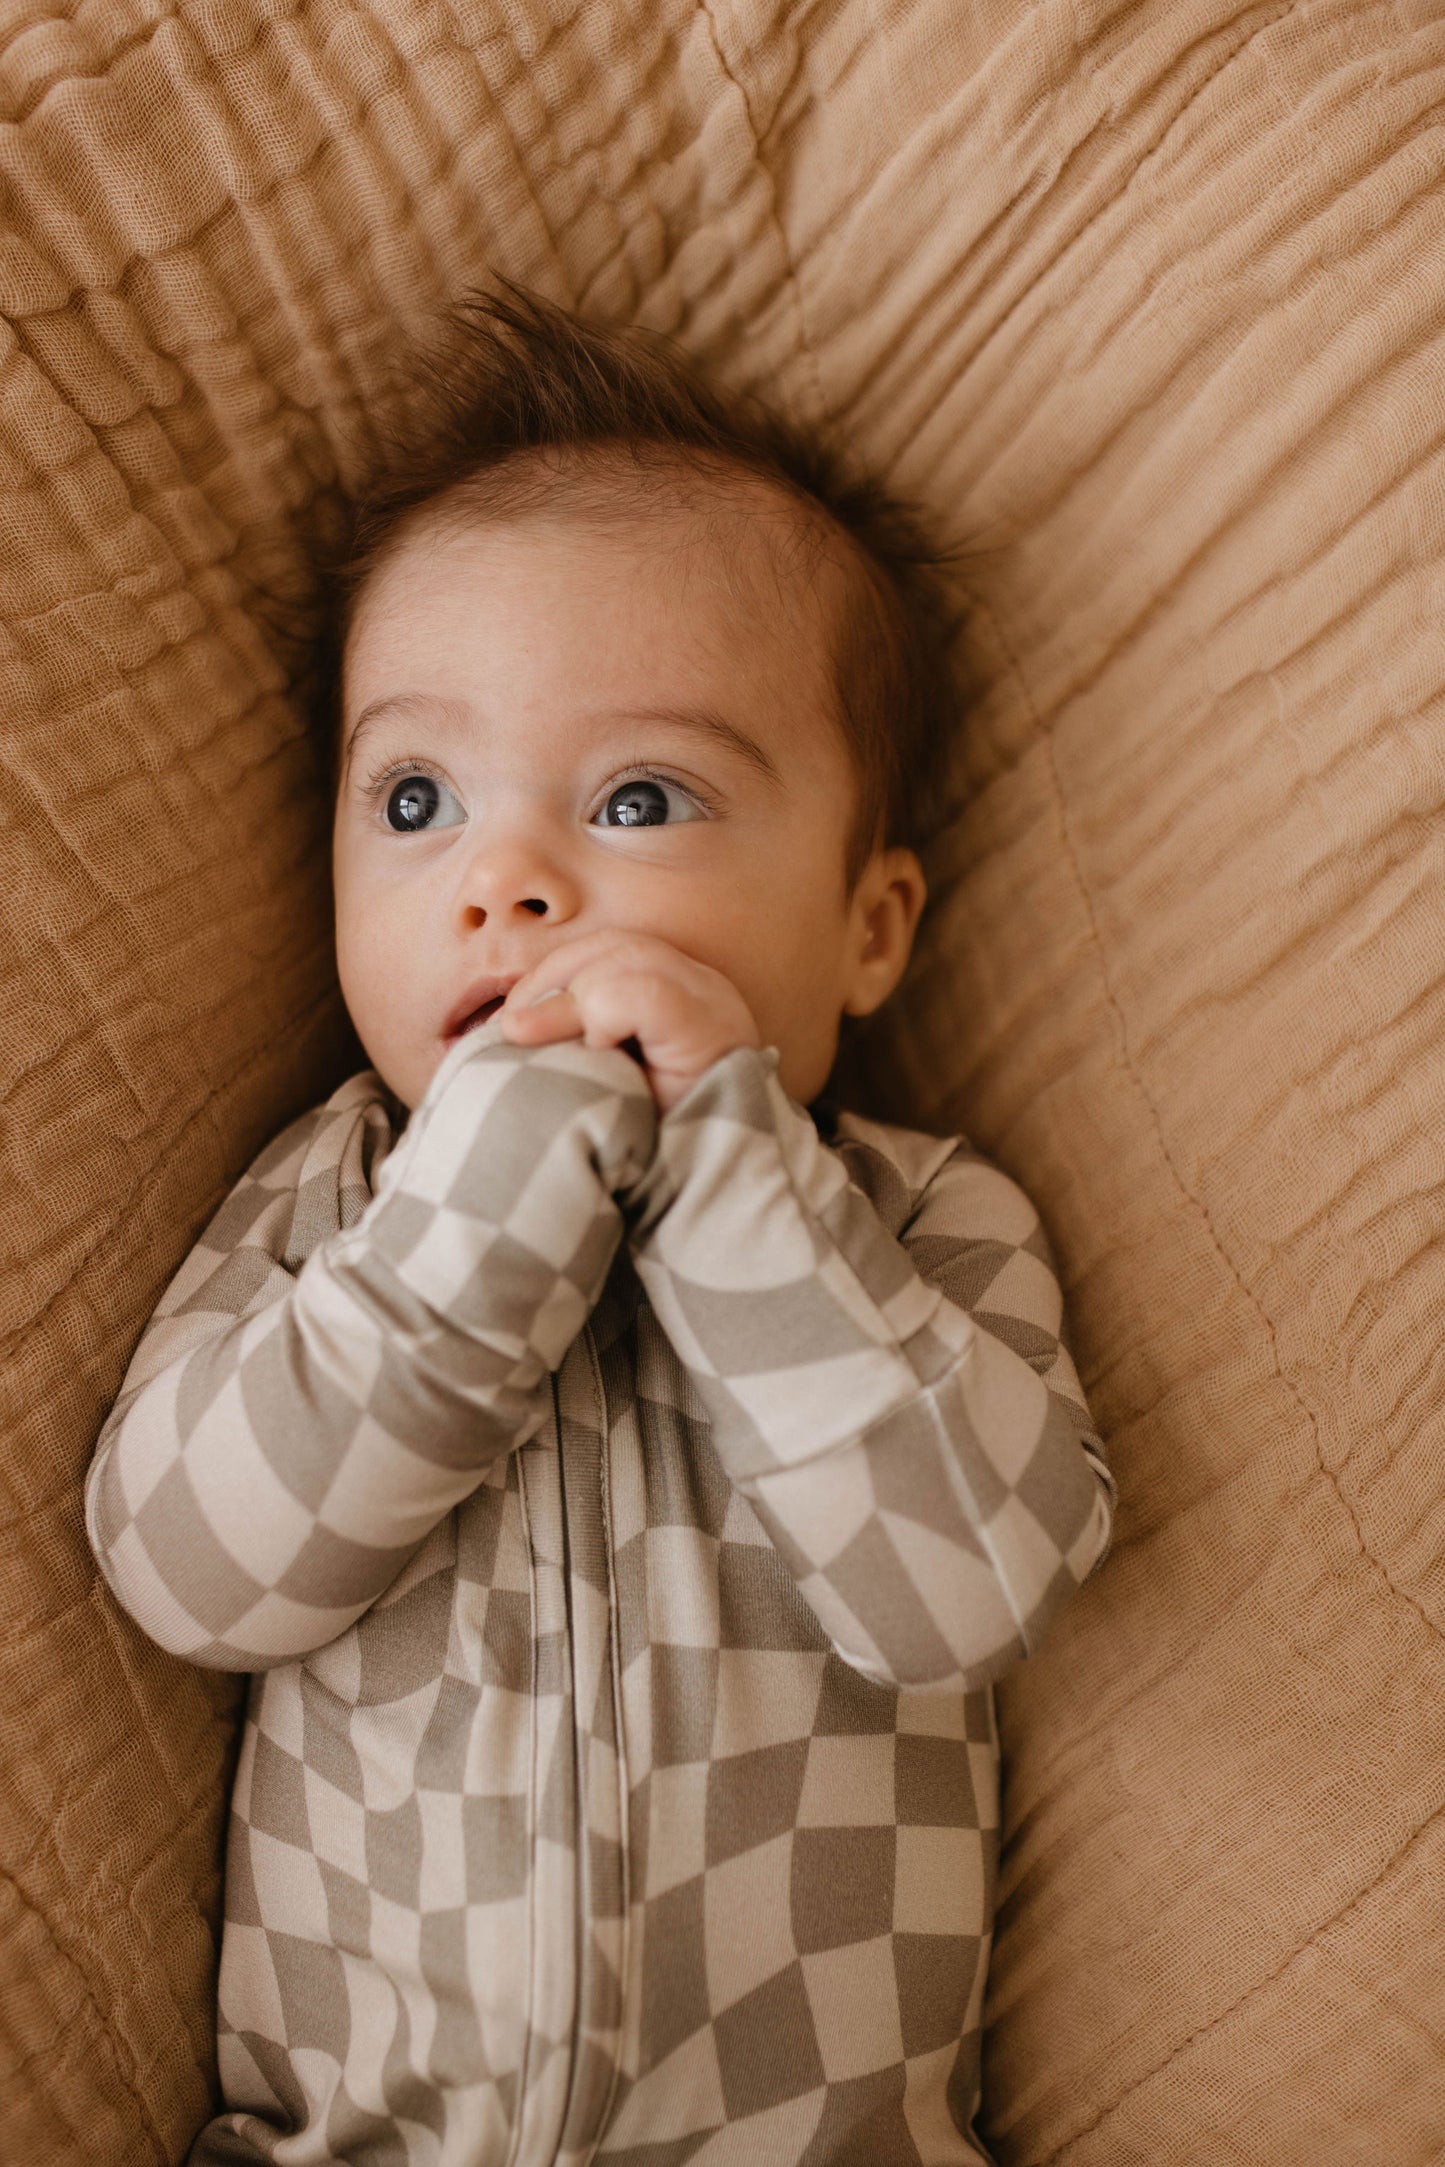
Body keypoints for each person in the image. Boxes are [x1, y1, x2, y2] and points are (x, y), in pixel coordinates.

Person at [84, 282, 1116, 2167]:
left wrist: (732, 1182)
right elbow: (188, 1573)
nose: (504, 880)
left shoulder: (919, 1223)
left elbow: (968, 1590)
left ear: (867, 926)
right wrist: (462, 1228)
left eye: (640, 797)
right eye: (415, 797)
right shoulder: (341, 1196)